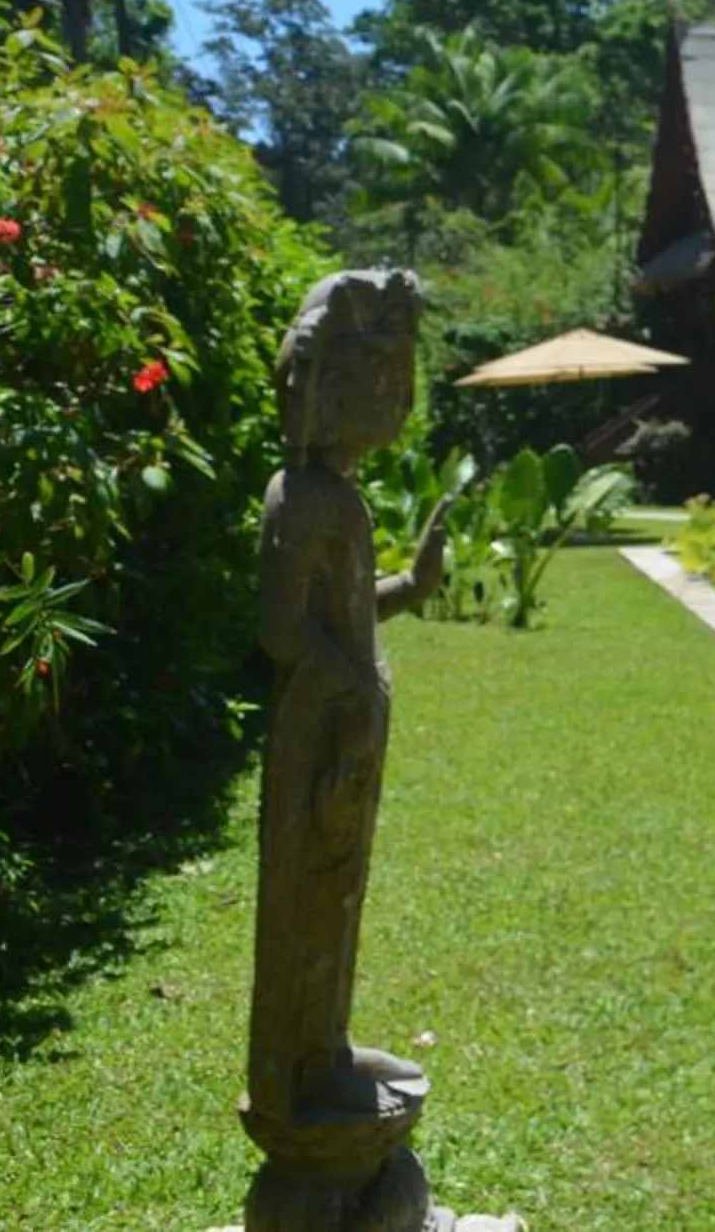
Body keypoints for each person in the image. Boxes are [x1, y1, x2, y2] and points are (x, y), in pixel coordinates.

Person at [245, 267, 446, 1130]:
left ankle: (324, 1045)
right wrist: (351, 690)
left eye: (403, 380)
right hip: (321, 732)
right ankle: (291, 1069)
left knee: (339, 894)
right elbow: (281, 629)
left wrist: (414, 585)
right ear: (324, 389)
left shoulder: (341, 499)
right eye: (383, 379)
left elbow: (348, 615)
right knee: (307, 897)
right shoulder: (300, 501)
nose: (398, 400)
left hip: (351, 728)